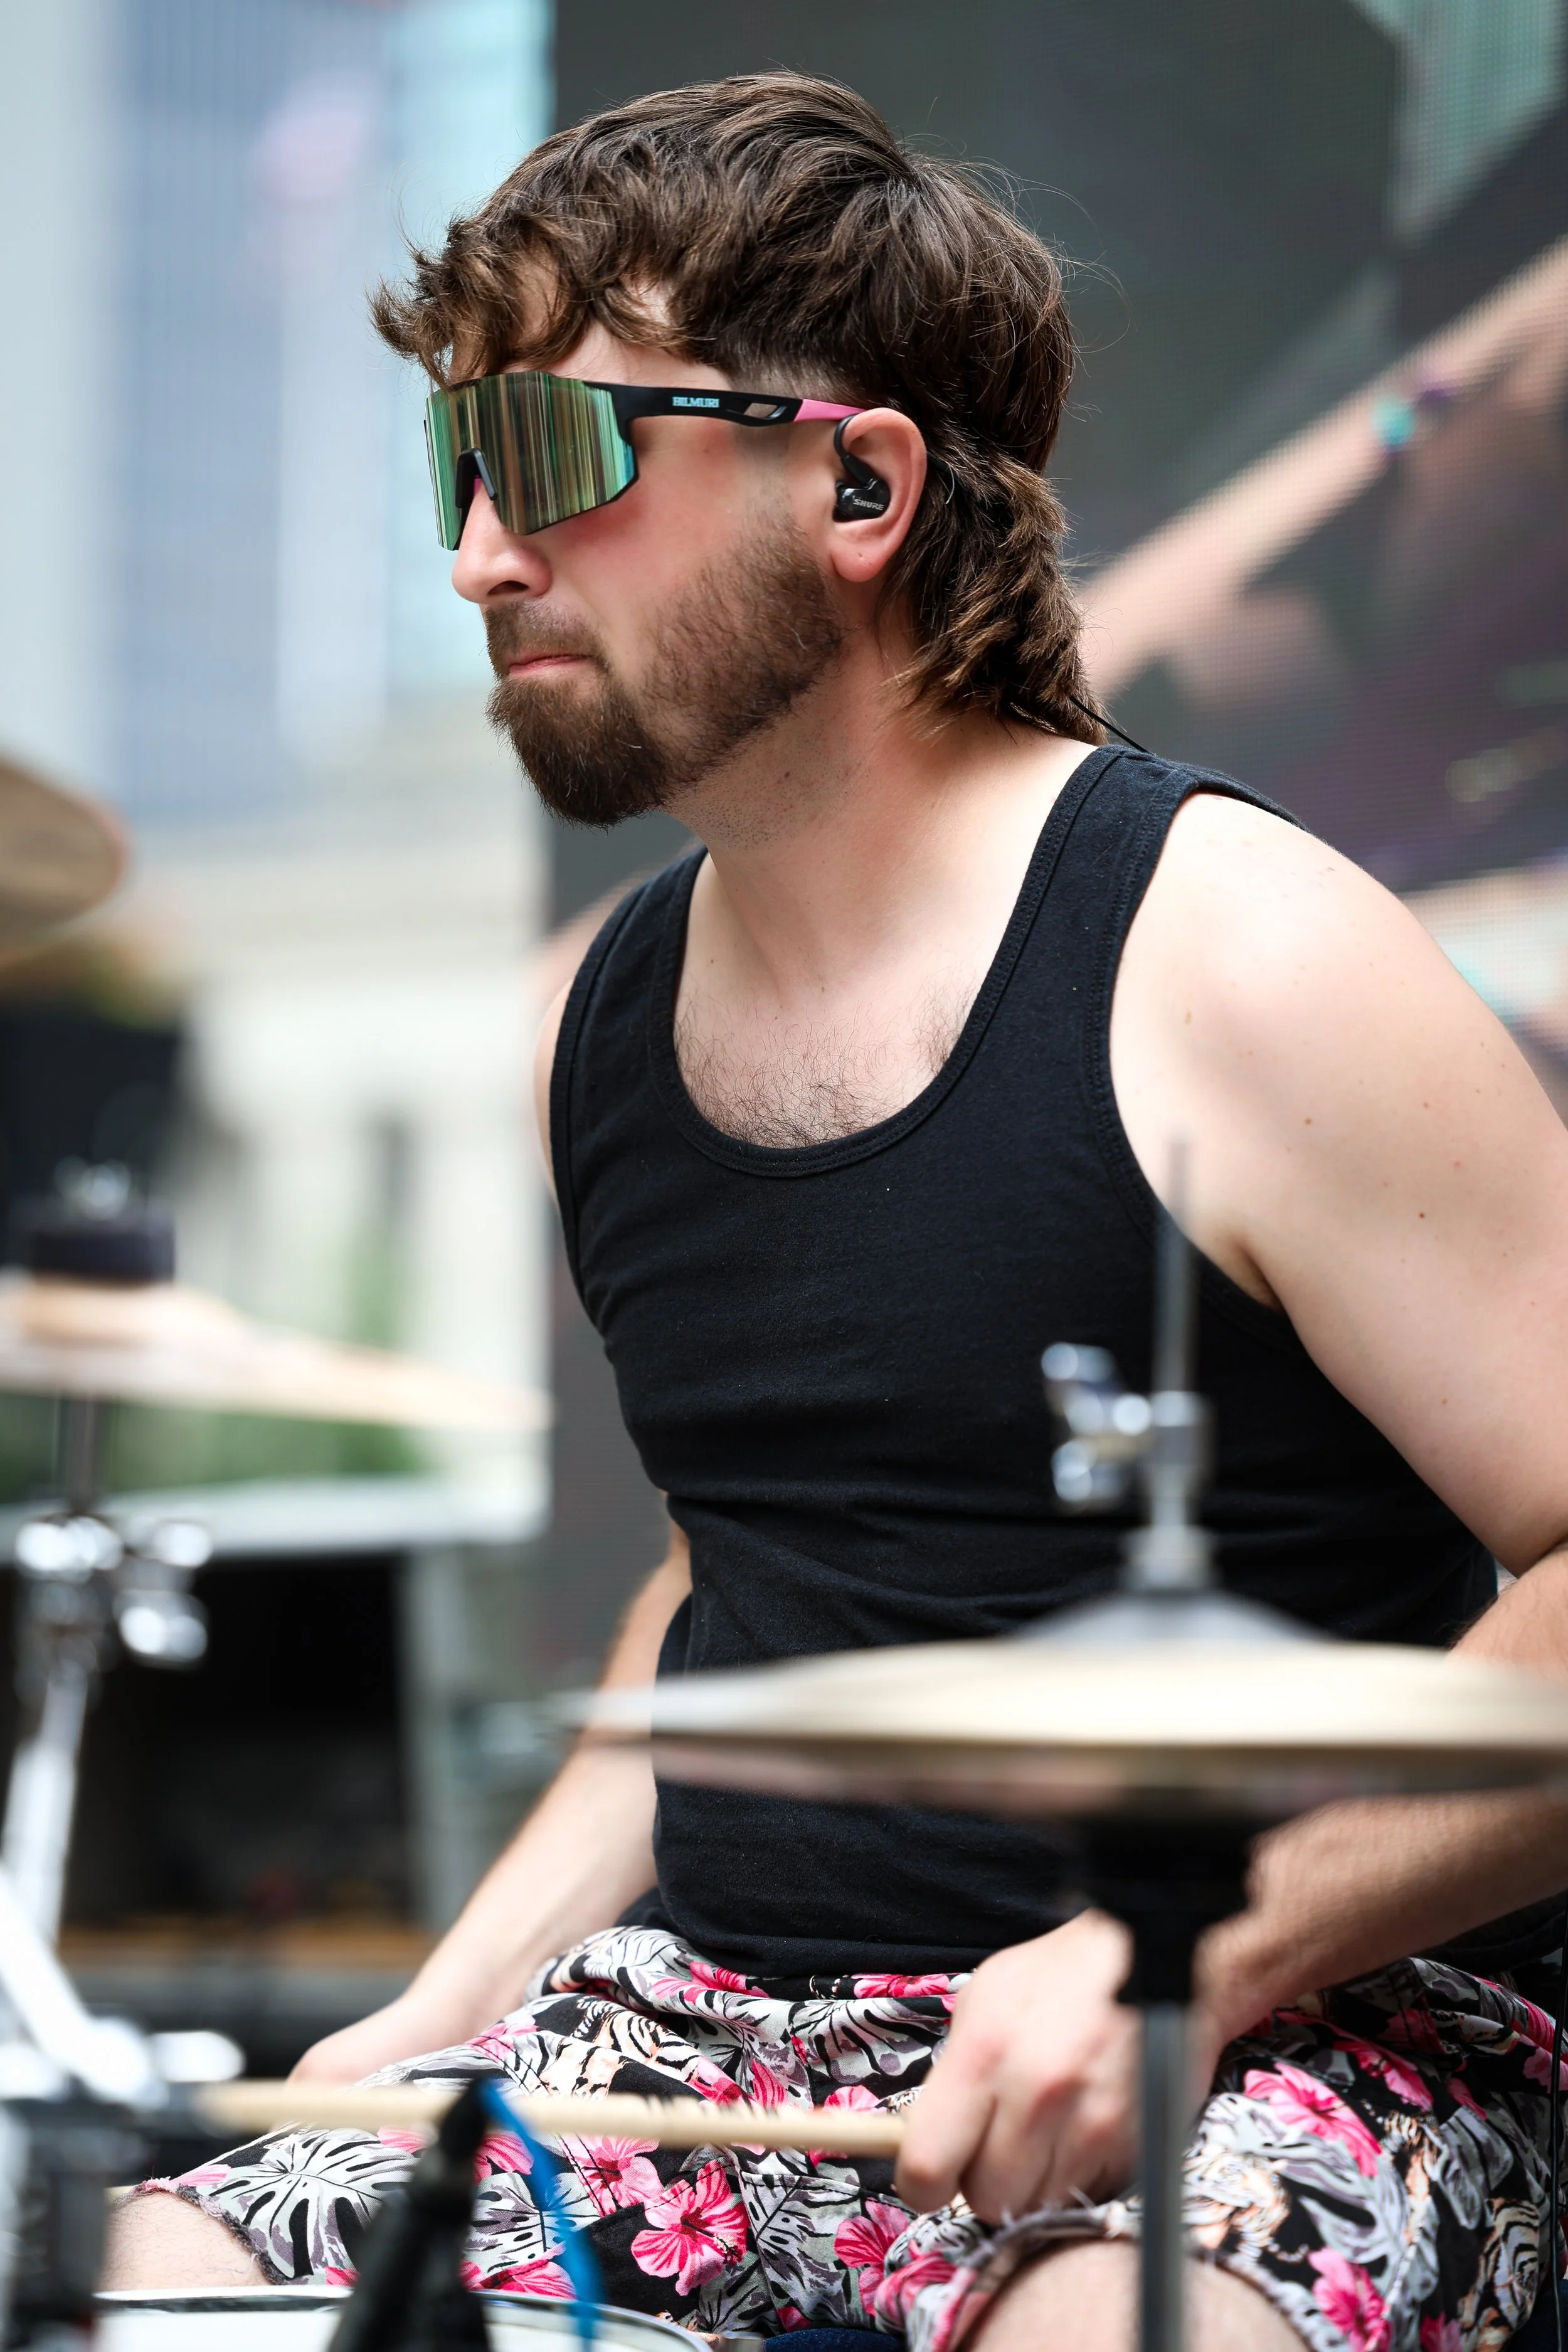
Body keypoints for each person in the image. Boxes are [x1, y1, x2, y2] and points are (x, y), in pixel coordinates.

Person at [106, 72, 1568, 2352]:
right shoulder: (608, 1018)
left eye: (560, 455)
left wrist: (1174, 1950)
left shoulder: (1236, 952)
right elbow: (749, 1572)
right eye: (453, 468)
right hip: (725, 2038)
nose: (484, 551)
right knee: (174, 2282)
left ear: (859, 483)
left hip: (1277, 2039)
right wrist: (445, 2003)